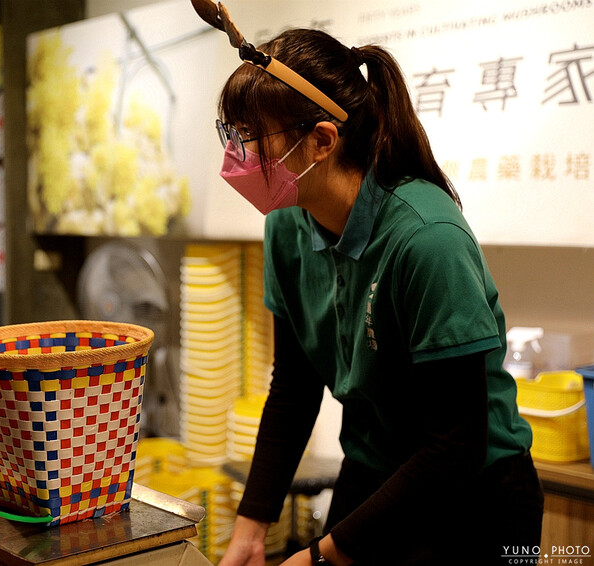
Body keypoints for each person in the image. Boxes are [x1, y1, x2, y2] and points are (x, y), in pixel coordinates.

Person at [213, 28, 544, 566]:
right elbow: (295, 387)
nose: (238, 154)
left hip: (475, 496)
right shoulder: (287, 226)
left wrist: (322, 555)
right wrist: (252, 525)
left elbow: (455, 444)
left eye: (254, 137)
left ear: (322, 141)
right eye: (235, 133)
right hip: (373, 468)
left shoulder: (427, 239)